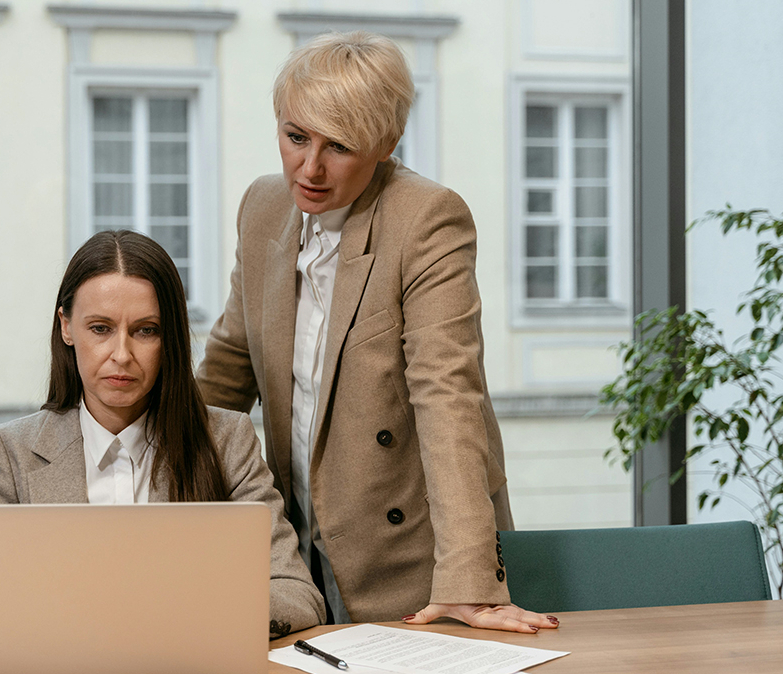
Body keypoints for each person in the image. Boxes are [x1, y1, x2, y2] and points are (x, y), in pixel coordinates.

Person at [196, 31, 558, 633]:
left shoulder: (427, 219)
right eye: (295, 137)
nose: (308, 168)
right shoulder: (262, 207)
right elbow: (227, 372)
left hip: (413, 560)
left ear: (387, 144)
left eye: (339, 146)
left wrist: (468, 578)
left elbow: (448, 395)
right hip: (294, 545)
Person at [0, 229, 326, 638]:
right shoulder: (11, 452)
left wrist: (184, 617)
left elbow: (297, 594)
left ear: (169, 337)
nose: (121, 354)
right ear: (66, 327)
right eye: (100, 328)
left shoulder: (227, 441)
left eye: (145, 331)